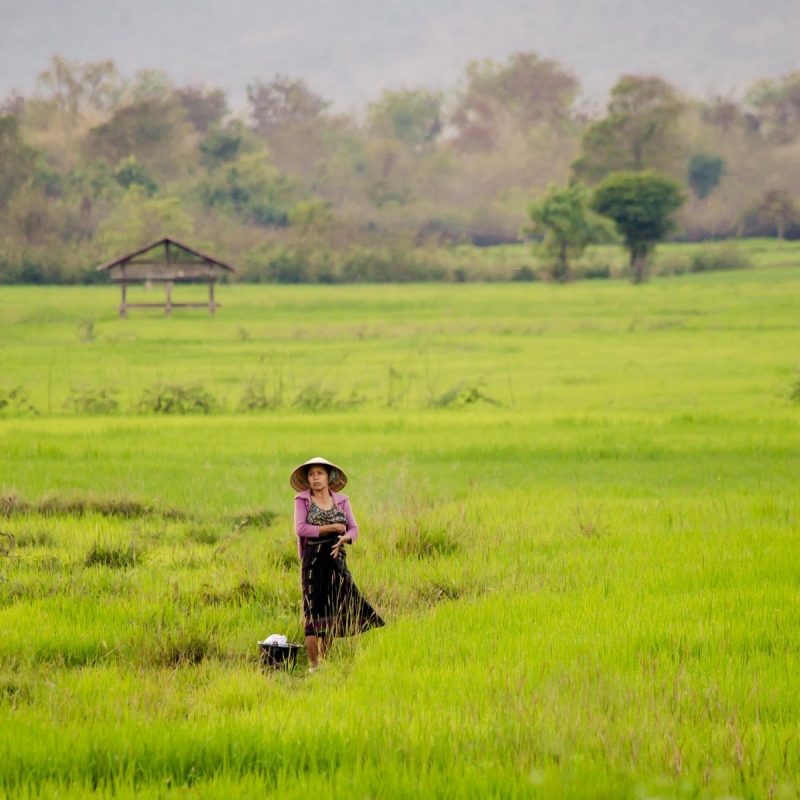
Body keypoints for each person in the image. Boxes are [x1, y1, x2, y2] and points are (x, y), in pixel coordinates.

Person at [291, 457, 384, 670]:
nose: (315, 478)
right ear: (307, 479)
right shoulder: (302, 500)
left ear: (328, 476)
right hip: (313, 559)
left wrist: (344, 538)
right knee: (312, 609)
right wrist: (332, 528)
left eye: (319, 473)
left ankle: (325, 660)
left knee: (332, 607)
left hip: (335, 556)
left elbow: (353, 528)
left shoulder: (341, 500)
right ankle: (314, 666)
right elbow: (301, 529)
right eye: (311, 474)